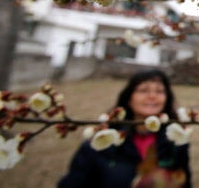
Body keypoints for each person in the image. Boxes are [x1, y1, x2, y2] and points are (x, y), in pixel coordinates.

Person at [58, 70, 191, 188]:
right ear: (129, 98)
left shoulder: (176, 142)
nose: (152, 96)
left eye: (160, 91)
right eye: (143, 90)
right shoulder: (100, 143)